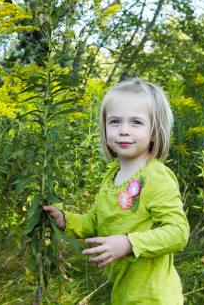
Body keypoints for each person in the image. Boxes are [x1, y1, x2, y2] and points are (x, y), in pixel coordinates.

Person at [43, 78, 189, 304]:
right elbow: (96, 221)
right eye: (114, 121)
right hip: (124, 294)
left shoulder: (156, 177)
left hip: (154, 297)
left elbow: (178, 232)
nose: (123, 130)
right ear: (104, 127)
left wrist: (129, 243)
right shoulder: (113, 175)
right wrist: (65, 220)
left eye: (136, 123)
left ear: (154, 130)